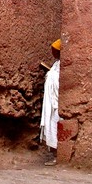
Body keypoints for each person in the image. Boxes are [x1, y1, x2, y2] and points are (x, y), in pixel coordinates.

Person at [40, 38, 61, 166]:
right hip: (53, 102)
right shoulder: (56, 65)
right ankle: (55, 154)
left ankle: (59, 155)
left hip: (58, 102)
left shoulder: (63, 65)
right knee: (52, 126)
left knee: (57, 125)